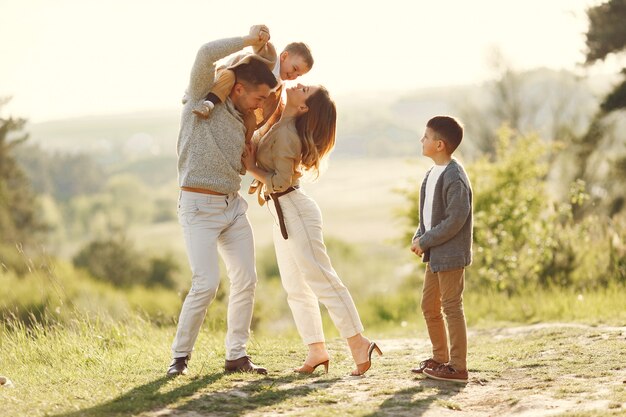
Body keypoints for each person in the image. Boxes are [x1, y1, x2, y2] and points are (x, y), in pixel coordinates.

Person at [243, 84, 382, 376]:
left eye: (304, 90)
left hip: (294, 209)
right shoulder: (282, 122)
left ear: (304, 107)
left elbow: (279, 182)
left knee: (321, 279)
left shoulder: (289, 135)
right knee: (295, 288)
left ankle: (359, 343)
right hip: (280, 211)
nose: (298, 85)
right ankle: (316, 350)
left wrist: (251, 167)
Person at [167, 25, 278, 377]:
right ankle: (179, 359)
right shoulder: (200, 98)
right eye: (258, 98)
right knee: (206, 283)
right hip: (198, 208)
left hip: (231, 208)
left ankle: (236, 356)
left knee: (246, 277)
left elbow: (269, 64)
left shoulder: (241, 117)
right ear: (240, 87)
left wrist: (265, 45)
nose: (261, 106)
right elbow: (205, 53)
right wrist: (248, 41)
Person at [409, 116, 473, 384]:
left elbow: (455, 219)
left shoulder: (455, 177)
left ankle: (458, 367)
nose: (421, 140)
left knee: (451, 307)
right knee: (429, 306)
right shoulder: (431, 173)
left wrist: (426, 240)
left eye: (425, 137)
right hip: (435, 254)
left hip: (450, 254)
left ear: (439, 144)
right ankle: (440, 358)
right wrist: (419, 235)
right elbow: (427, 216)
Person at [192, 40, 314, 130]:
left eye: (298, 75)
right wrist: (260, 35)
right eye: (294, 69)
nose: (293, 76)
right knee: (227, 78)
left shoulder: (280, 83)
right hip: (235, 73)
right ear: (284, 56)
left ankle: (243, 146)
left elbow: (271, 101)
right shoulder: (270, 59)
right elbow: (259, 46)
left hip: (246, 95)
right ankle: (208, 104)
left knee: (251, 122)